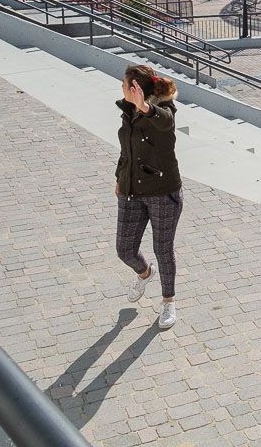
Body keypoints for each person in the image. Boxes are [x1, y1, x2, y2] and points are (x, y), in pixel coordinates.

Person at [114, 64, 183, 329]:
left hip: (162, 192)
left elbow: (165, 122)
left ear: (136, 88)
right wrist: (119, 178)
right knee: (124, 250)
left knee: (162, 248)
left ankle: (168, 302)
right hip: (131, 191)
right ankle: (145, 273)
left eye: (124, 83)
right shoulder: (127, 111)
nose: (121, 87)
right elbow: (126, 149)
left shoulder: (163, 110)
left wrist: (145, 107)